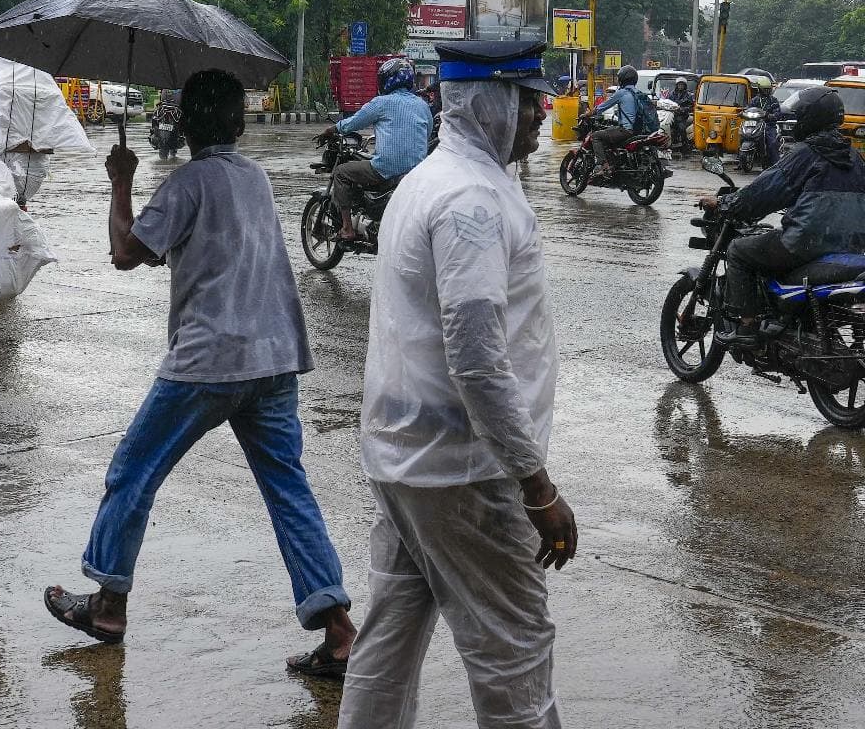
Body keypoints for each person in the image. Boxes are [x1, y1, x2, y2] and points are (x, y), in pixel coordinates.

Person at [44, 69, 357, 676]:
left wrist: (121, 183)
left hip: (210, 361)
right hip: (275, 360)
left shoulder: (188, 182)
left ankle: (107, 606)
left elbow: (126, 253)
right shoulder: (256, 178)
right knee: (288, 492)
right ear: (240, 124)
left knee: (133, 473)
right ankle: (339, 630)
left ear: (184, 122)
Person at [337, 40, 577, 729]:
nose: (542, 112)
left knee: (388, 639)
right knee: (515, 652)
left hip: (406, 460)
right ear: (489, 103)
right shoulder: (470, 200)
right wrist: (537, 484)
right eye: (528, 99)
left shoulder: (434, 178)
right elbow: (475, 355)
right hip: (463, 473)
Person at [701, 86, 865, 348]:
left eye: (799, 116)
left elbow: (763, 192)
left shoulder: (806, 154)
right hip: (851, 248)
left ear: (810, 119)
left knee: (739, 251)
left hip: (805, 243)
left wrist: (725, 204)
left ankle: (747, 327)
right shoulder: (854, 157)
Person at [321, 58, 432, 242]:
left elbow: (354, 122)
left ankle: (347, 228)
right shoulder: (422, 105)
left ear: (386, 80)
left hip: (385, 169)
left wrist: (331, 130)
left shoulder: (381, 103)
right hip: (416, 172)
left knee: (341, 172)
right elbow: (426, 135)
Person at [583, 64, 640, 179]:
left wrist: (587, 114)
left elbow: (602, 107)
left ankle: (602, 166)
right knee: (610, 133)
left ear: (622, 79)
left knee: (596, 136)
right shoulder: (638, 93)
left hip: (626, 131)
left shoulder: (622, 93)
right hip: (638, 131)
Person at [748, 81, 783, 167]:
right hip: (755, 124)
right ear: (760, 89)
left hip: (769, 125)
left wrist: (770, 115)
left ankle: (776, 164)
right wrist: (742, 113)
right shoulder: (754, 100)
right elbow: (748, 109)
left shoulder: (773, 100)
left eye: (768, 89)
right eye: (765, 89)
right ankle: (741, 160)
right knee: (744, 135)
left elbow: (777, 114)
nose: (767, 91)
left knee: (772, 143)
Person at [670, 79, 694, 150]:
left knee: (681, 127)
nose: (680, 86)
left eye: (682, 85)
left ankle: (685, 144)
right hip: (672, 115)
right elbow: (668, 102)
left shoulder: (688, 95)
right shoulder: (672, 94)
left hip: (683, 116)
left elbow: (691, 106)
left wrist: (682, 109)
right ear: (676, 85)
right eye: (679, 84)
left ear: (685, 86)